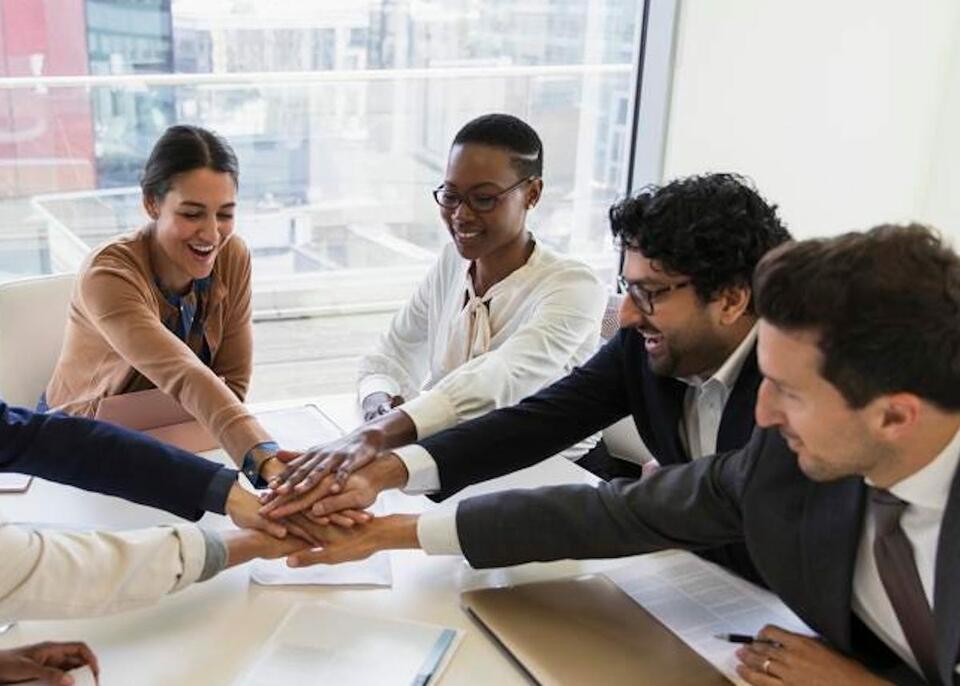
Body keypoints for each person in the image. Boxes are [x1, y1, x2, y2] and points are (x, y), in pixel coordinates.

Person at [294, 224, 959, 685]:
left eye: (786, 393)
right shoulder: (784, 458)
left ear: (895, 415)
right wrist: (397, 531)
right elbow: (622, 513)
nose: (760, 415)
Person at [265, 173, 790, 582]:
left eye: (650, 293)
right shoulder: (645, 345)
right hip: (695, 581)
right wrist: (385, 473)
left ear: (731, 299)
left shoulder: (796, 395)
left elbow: (619, 512)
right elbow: (537, 421)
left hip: (789, 609)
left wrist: (396, 531)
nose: (626, 316)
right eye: (628, 289)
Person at [264, 114, 606, 511]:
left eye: (483, 199)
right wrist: (378, 403)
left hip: (553, 482)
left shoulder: (573, 287)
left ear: (532, 193)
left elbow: (498, 380)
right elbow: (389, 353)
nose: (461, 215)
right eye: (451, 195)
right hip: (453, 462)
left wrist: (378, 434)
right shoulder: (453, 262)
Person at [43, 125, 287, 491]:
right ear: (152, 203)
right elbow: (185, 373)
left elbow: (233, 383)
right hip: (78, 441)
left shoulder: (232, 255)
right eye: (192, 214)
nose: (211, 234)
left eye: (224, 214)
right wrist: (261, 455)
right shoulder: (108, 274)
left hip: (184, 434)